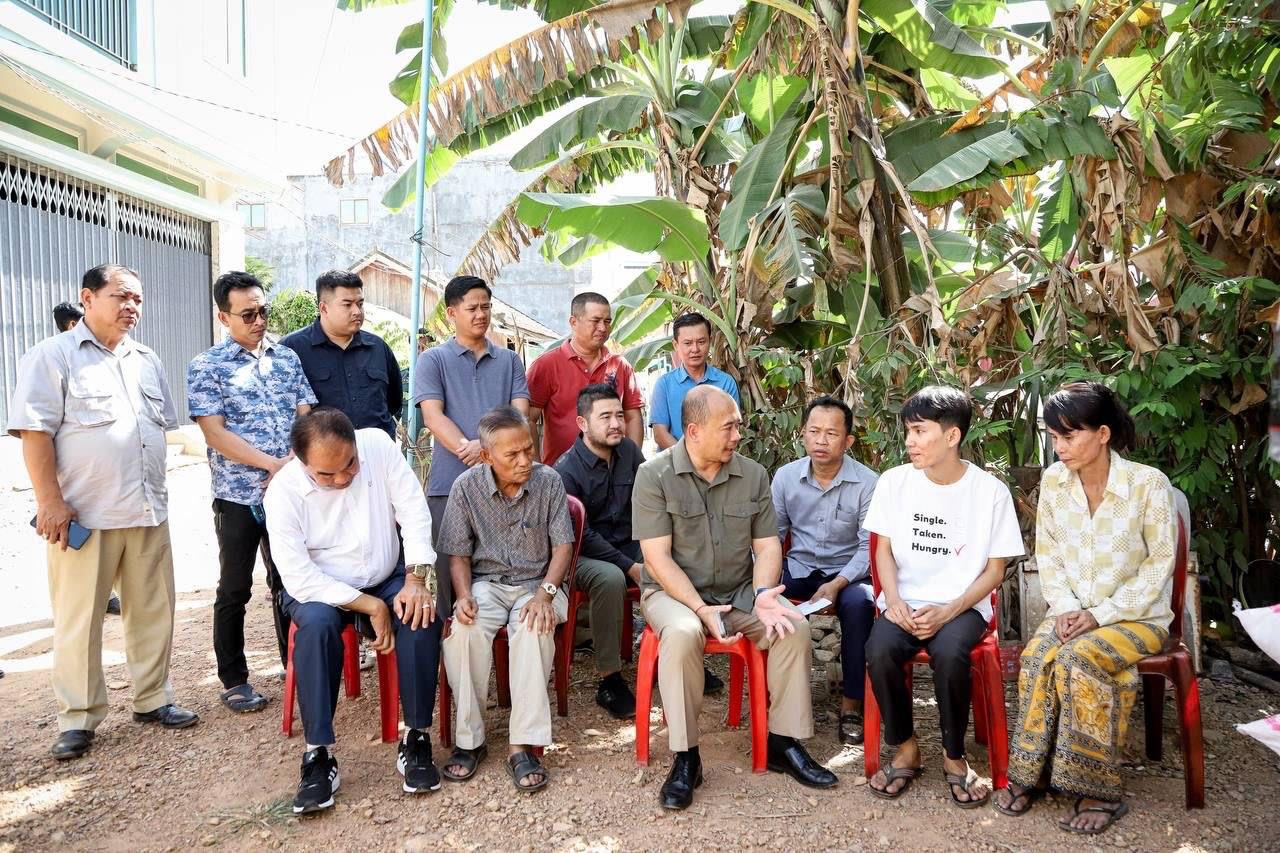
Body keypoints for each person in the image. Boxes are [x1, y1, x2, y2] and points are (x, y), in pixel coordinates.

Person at [8, 263, 198, 760]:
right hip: (84, 516)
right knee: (79, 620)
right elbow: (35, 433)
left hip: (147, 510)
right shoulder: (53, 356)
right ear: (87, 298)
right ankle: (78, 717)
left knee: (153, 612)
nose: (131, 306)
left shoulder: (147, 360)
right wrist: (50, 501)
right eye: (121, 296)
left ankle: (153, 698)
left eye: (137, 298)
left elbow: (158, 430)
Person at [632, 386, 837, 811]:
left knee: (792, 626)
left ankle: (782, 742)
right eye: (728, 427)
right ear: (693, 431)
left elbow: (767, 546)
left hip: (740, 589)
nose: (737, 436)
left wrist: (763, 595)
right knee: (683, 633)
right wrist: (700, 608)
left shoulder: (753, 475)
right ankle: (686, 757)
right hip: (674, 593)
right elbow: (657, 558)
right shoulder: (654, 476)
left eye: (737, 426)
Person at [995, 381, 1177, 836]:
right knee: (1038, 656)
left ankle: (1097, 790)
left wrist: (1100, 614)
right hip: (1071, 612)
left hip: (1138, 617)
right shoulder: (1054, 482)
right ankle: (1033, 774)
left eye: (1069, 435)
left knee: (1079, 658)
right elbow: (1048, 554)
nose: (1059, 447)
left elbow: (1160, 565)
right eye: (1054, 436)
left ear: (1103, 434)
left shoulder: (1147, 484)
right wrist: (1068, 608)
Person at [264, 408, 443, 814]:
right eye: (326, 474)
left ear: (355, 444)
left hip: (384, 575)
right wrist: (369, 605)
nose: (342, 478)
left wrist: (415, 578)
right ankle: (318, 755)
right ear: (301, 462)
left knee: (421, 616)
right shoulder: (283, 492)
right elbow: (298, 576)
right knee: (316, 628)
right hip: (318, 589)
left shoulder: (376, 445)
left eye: (349, 464)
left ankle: (416, 737)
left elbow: (413, 510)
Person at [862, 386, 1024, 807]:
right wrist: (894, 601)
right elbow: (883, 551)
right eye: (908, 431)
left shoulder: (990, 492)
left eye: (919, 431)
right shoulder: (895, 482)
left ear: (952, 436)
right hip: (905, 601)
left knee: (952, 654)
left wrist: (950, 609)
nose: (910, 441)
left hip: (963, 606)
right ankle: (906, 747)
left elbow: (995, 571)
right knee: (879, 649)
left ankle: (954, 756)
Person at [188, 271, 317, 713]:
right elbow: (214, 433)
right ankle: (235, 679)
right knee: (235, 587)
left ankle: (295, 666)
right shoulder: (207, 366)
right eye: (248, 314)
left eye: (263, 311)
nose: (259, 320)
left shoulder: (287, 359)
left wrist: (294, 462)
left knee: (291, 579)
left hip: (290, 492)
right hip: (239, 495)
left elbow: (305, 413)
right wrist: (271, 465)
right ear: (223, 317)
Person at [437, 406, 575, 793]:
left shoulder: (549, 481)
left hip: (540, 584)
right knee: (465, 631)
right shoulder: (466, 487)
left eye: (528, 449)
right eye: (512, 454)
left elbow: (563, 546)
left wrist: (546, 595)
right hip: (487, 583)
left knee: (533, 628)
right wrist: (464, 596)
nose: (525, 460)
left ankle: (522, 744)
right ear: (486, 456)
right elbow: (458, 553)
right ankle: (470, 740)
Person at [414, 275, 530, 613]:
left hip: (505, 486)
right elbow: (433, 417)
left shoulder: (509, 361)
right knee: (449, 575)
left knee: (503, 571)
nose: (481, 314)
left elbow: (520, 414)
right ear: (452, 313)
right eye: (472, 308)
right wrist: (474, 448)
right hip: (448, 484)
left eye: (486, 307)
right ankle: (447, 640)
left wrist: (485, 447)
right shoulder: (433, 360)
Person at [772, 395, 878, 745]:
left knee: (860, 605)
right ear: (802, 434)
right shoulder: (786, 477)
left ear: (848, 441)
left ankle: (852, 704)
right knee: (771, 602)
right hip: (799, 567)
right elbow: (773, 536)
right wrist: (765, 583)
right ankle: (783, 699)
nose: (821, 440)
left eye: (831, 434)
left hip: (848, 572)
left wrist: (837, 584)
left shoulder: (868, 483)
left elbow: (867, 547)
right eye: (814, 431)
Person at [50, 300, 122, 617]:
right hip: (78, 488)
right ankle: (96, 599)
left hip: (111, 489)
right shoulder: (56, 359)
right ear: (72, 324)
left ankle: (106, 595)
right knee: (80, 550)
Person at [280, 270, 403, 440]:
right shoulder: (291, 349)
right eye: (347, 305)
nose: (357, 311)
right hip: (324, 452)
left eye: (360, 304)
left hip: (377, 450)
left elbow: (394, 403)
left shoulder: (378, 347)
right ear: (324, 308)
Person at [527, 292, 643, 466]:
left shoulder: (620, 365)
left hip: (613, 471)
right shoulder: (546, 365)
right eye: (595, 321)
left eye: (607, 321)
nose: (603, 328)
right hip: (561, 473)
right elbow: (528, 419)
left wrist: (632, 464)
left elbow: (633, 417)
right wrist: (537, 469)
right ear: (574, 322)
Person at [649, 312, 741, 450]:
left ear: (710, 341)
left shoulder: (726, 383)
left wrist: (708, 458)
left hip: (716, 458)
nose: (695, 349)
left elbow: (731, 429)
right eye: (688, 343)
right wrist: (690, 458)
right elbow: (660, 434)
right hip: (675, 461)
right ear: (675, 345)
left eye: (701, 342)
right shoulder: (664, 385)